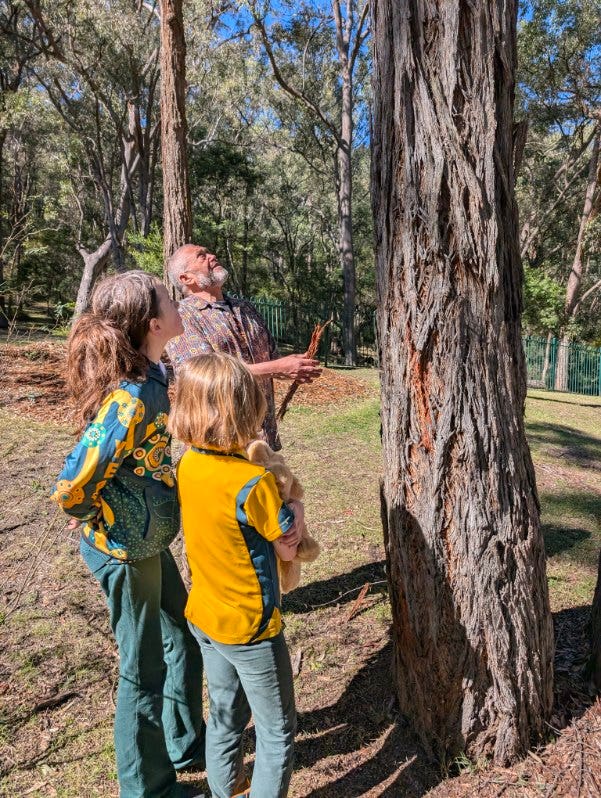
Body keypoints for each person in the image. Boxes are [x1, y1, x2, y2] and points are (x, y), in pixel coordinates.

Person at [52, 271, 205, 798]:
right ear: (153, 322)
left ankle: (185, 745)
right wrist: (95, 513)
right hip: (124, 551)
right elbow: (73, 483)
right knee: (142, 671)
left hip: (149, 543)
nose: (177, 299)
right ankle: (150, 790)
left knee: (181, 634)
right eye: (169, 295)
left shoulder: (156, 373)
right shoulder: (131, 397)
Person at [168, 352, 301, 798]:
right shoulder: (253, 483)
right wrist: (295, 502)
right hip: (250, 626)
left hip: (204, 615)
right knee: (277, 730)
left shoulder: (188, 462)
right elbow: (287, 542)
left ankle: (225, 788)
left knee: (224, 713)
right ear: (244, 410)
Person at [165, 244, 322, 450]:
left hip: (262, 440)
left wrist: (294, 367)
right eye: (201, 256)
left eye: (209, 252)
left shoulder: (245, 308)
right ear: (186, 279)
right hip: (219, 444)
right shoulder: (181, 316)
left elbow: (270, 361)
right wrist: (278, 368)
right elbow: (205, 377)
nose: (212, 255)